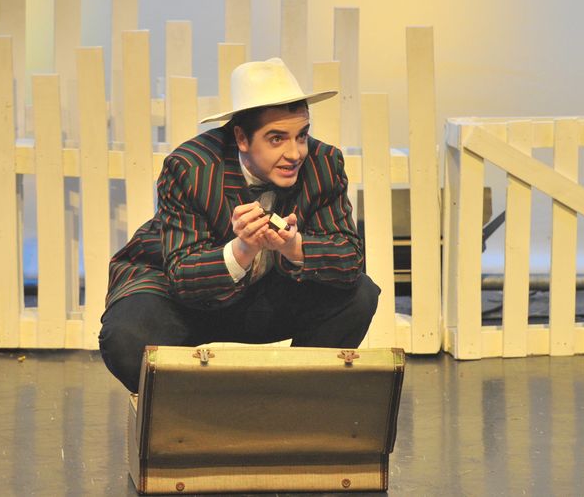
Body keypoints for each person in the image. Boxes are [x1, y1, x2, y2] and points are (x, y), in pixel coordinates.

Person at [99, 58, 380, 392]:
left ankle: (295, 397)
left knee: (359, 295)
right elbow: (183, 274)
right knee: (126, 336)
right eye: (276, 139)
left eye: (301, 136)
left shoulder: (323, 163)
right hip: (185, 295)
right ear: (242, 139)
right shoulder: (191, 168)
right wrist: (242, 250)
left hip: (270, 292)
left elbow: (349, 257)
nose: (295, 153)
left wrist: (295, 247)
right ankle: (187, 408)